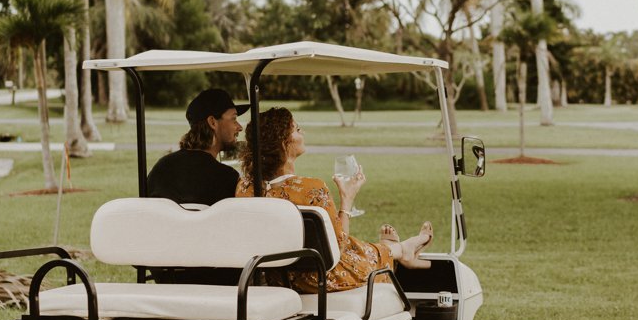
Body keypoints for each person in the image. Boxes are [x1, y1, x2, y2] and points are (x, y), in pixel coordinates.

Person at [236, 107, 433, 296]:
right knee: (356, 253)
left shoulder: (244, 188)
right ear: (283, 143)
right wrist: (347, 201)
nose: (302, 132)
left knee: (355, 246)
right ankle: (399, 250)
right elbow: (338, 248)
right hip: (318, 279)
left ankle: (399, 249)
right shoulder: (311, 189)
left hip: (275, 277)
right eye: (296, 129)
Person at [148, 89, 244, 206]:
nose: (240, 127)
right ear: (213, 122)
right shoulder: (226, 178)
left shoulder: (161, 169)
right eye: (234, 118)